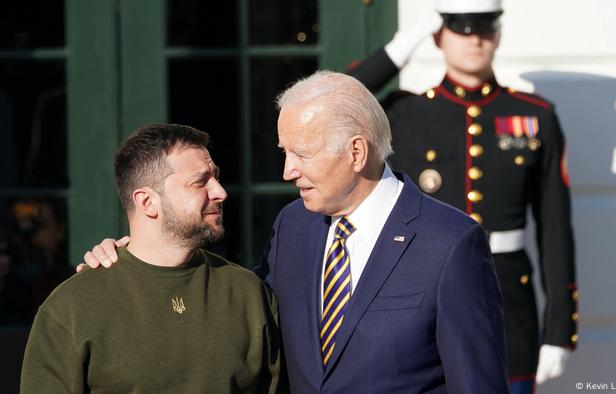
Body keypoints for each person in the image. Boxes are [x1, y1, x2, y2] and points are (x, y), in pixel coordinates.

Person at [82, 72, 508, 393]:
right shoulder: (294, 224)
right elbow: (235, 308)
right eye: (286, 153)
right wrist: (135, 261)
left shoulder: (450, 243)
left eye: (301, 154)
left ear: (356, 152)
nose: (288, 171)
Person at [348, 0, 578, 392]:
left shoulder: (534, 116)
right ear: (439, 36)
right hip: (421, 302)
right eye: (461, 28)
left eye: (485, 29)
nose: (474, 39)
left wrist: (560, 328)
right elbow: (339, 97)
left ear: (499, 34)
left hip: (507, 307)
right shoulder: (406, 112)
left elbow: (555, 229)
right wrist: (401, 47)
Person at [21, 124, 283, 393]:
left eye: (215, 177)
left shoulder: (248, 294)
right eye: (200, 182)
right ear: (146, 201)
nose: (220, 192)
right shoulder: (72, 308)